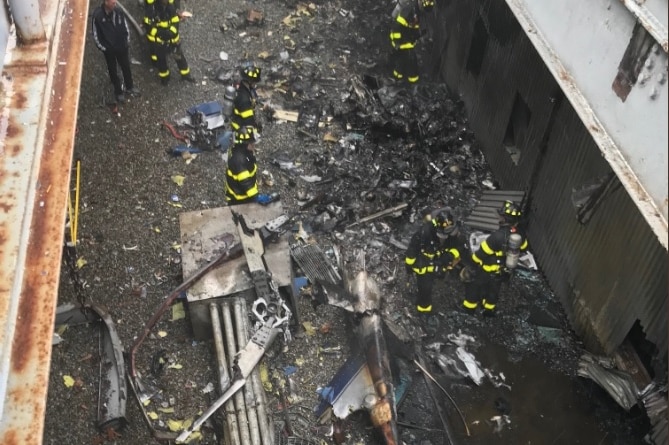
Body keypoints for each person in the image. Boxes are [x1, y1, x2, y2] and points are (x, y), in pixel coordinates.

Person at [462, 200, 529, 316]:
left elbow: (480, 254)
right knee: (493, 291)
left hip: (486, 269)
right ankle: (488, 311)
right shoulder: (520, 234)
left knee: (475, 288)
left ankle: (469, 310)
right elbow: (523, 248)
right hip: (502, 270)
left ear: (504, 218)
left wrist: (470, 267)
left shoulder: (496, 236)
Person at [405, 207, 466, 320]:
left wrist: (450, 256)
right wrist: (409, 267)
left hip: (440, 259)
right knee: (425, 289)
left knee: (439, 275)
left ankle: (439, 277)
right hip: (424, 263)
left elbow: (458, 246)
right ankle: (423, 311)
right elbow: (412, 251)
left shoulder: (451, 230)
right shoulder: (424, 232)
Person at [92, 0, 139, 104]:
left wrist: (126, 42)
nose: (115, 4)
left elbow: (125, 27)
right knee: (113, 71)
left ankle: (129, 86)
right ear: (106, 2)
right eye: (112, 2)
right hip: (109, 51)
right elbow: (96, 36)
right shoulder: (98, 16)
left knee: (126, 67)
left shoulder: (119, 12)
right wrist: (104, 48)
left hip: (122, 47)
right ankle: (118, 92)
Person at [144, 0, 195, 85]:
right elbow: (148, 25)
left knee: (179, 57)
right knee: (161, 61)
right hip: (160, 42)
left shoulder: (171, 6)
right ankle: (165, 78)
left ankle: (185, 75)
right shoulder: (152, 9)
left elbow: (175, 21)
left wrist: (171, 33)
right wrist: (160, 34)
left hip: (172, 39)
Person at [217, 63, 262, 152]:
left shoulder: (241, 87)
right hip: (240, 127)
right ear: (250, 81)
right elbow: (248, 121)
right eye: (254, 81)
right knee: (241, 148)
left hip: (236, 121)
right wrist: (251, 138)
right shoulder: (245, 100)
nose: (255, 84)